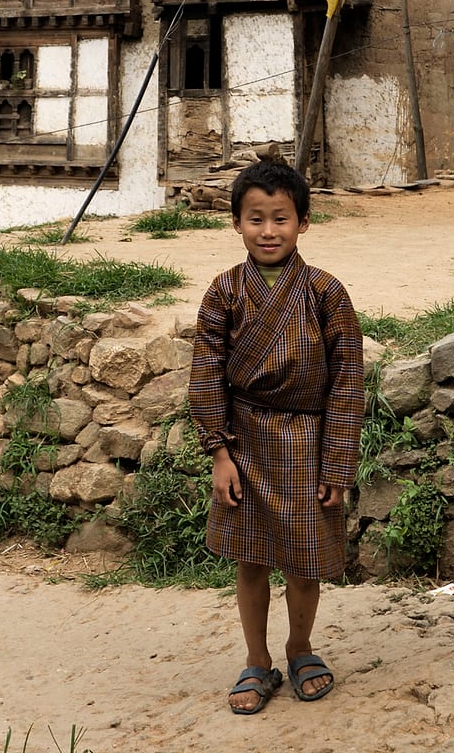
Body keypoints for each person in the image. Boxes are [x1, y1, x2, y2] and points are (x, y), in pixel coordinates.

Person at [187, 161, 365, 716]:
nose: (269, 231)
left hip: (308, 441)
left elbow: (347, 384)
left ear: (303, 223)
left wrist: (337, 466)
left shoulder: (325, 293)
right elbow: (205, 374)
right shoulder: (224, 292)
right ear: (236, 223)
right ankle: (257, 659)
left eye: (281, 218)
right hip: (244, 443)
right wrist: (219, 451)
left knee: (304, 560)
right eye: (256, 219)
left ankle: (300, 647)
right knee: (250, 559)